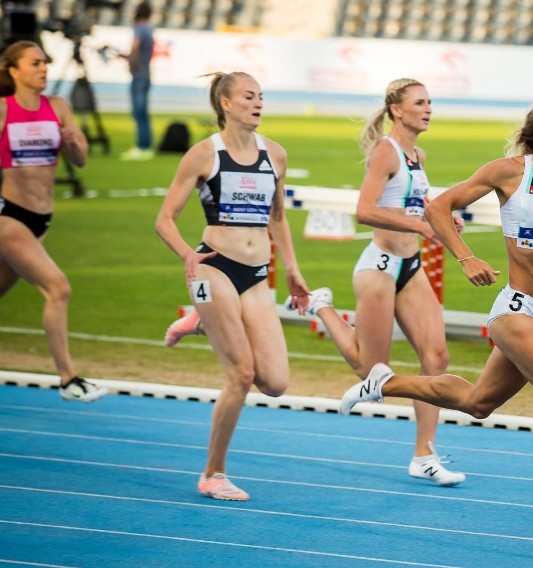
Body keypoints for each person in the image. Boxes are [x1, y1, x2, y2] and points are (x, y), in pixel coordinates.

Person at [340, 90, 533, 543]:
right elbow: (437, 207)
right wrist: (466, 257)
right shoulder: (508, 172)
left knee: (477, 403)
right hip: (515, 312)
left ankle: (383, 384)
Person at [290, 78, 466, 486]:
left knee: (436, 358)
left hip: (411, 267)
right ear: (397, 110)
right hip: (379, 268)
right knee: (369, 370)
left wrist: (441, 218)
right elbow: (365, 211)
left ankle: (424, 454)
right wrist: (419, 226)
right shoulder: (384, 153)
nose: (428, 109)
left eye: (430, 102)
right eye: (420, 103)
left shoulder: (417, 153)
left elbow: (417, 200)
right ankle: (322, 305)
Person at [155, 71, 312, 501]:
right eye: (248, 96)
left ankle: (200, 320)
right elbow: (163, 219)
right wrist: (188, 253)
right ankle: (213, 473)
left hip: (256, 275)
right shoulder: (204, 154)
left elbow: (278, 217)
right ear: (226, 103)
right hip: (214, 268)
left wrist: (294, 270)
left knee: (275, 382)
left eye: (261, 96)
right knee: (241, 374)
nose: (258, 103)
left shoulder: (274, 154)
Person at [0, 40, 108, 403]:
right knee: (58, 288)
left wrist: (72, 141)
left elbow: (80, 160)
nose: (44, 68)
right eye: (35, 63)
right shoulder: (3, 109)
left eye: (46, 63)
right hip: (8, 217)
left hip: (40, 220)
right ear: (14, 71)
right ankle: (68, 380)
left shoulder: (58, 107)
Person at [120, 1, 154, 161]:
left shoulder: (140, 28)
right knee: (143, 113)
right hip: (146, 74)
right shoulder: (149, 29)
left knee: (138, 113)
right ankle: (145, 145)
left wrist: (130, 62)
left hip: (139, 76)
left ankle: (142, 146)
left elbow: (135, 47)